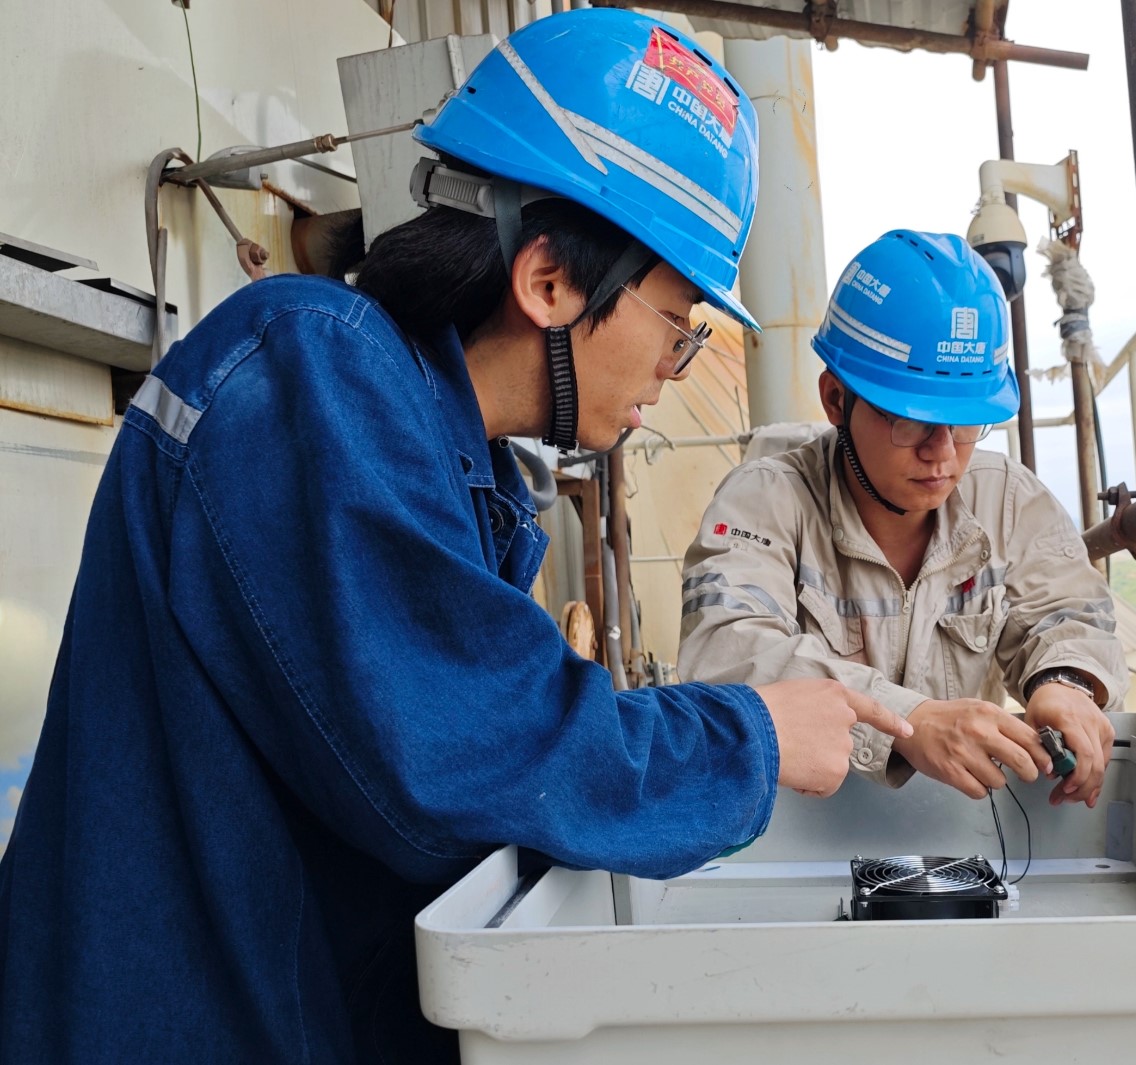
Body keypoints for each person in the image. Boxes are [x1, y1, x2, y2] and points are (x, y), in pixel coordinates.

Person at [0, 12, 906, 1064]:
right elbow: (472, 753)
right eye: (676, 323)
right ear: (549, 281)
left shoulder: (454, 462)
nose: (676, 366)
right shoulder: (307, 373)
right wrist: (750, 738)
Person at [678, 230, 1126, 806]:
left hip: (956, 823)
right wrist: (910, 719)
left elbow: (1067, 614)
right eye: (910, 421)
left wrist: (1065, 683)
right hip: (797, 822)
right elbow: (726, 649)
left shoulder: (1010, 501)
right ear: (836, 400)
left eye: (965, 423)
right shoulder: (764, 500)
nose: (942, 454)